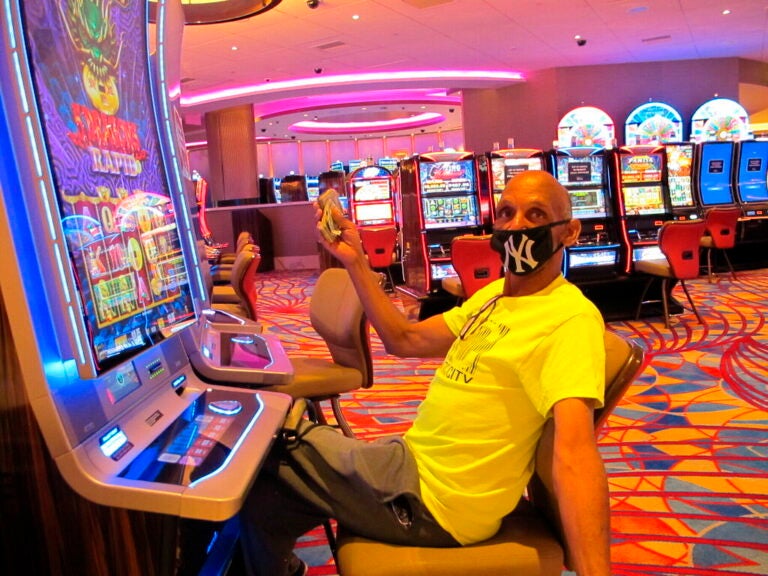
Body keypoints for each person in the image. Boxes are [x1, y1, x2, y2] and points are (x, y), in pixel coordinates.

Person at [239, 170, 610, 576]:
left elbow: (575, 455)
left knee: (272, 439)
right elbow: (405, 340)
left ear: (570, 231)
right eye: (506, 213)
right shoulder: (496, 297)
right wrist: (355, 259)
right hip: (413, 461)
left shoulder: (569, 319)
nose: (516, 226)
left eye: (535, 215)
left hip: (437, 503)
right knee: (267, 497)